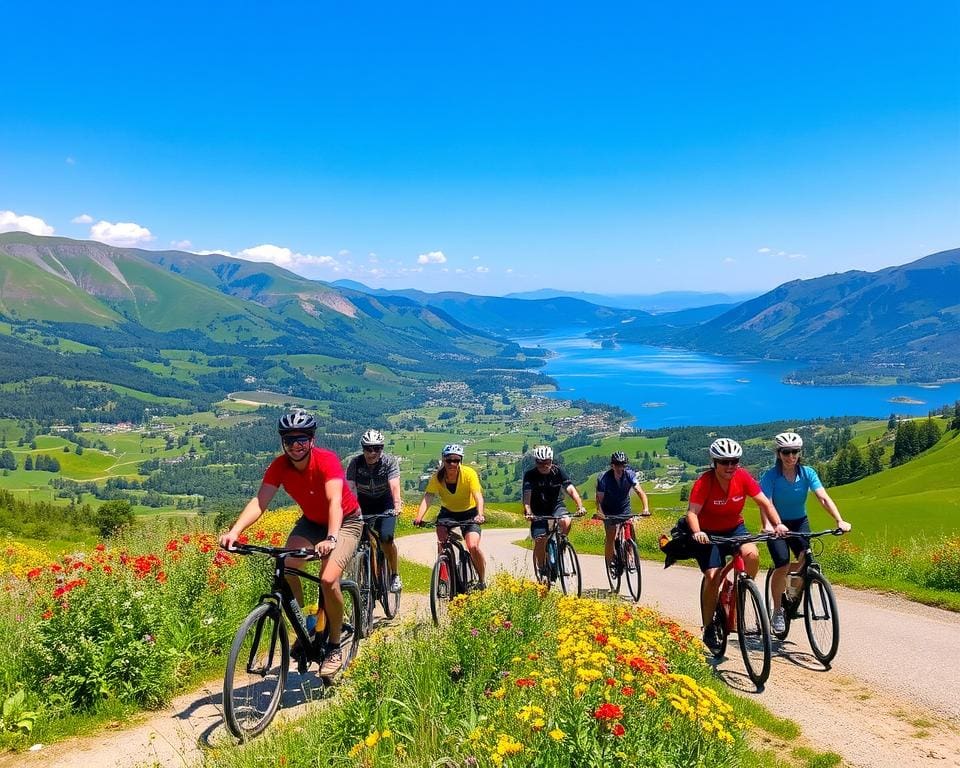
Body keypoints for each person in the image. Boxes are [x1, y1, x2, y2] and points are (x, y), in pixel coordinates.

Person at [219, 410, 363, 677]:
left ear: (312, 439)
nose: (295, 445)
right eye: (289, 440)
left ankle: (333, 646)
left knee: (328, 579)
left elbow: (334, 501)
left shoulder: (326, 460)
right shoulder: (279, 466)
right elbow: (260, 502)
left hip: (345, 522)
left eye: (301, 439)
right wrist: (235, 531)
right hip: (311, 521)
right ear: (282, 441)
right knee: (286, 564)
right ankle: (306, 624)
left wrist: (331, 537)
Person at [686, 437, 787, 652]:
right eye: (725, 462)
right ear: (714, 462)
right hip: (709, 534)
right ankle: (709, 627)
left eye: (734, 461)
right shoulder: (704, 482)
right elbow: (692, 513)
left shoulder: (742, 477)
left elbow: (764, 502)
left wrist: (777, 524)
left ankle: (739, 588)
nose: (730, 466)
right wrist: (698, 532)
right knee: (713, 576)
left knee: (752, 554)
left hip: (734, 528)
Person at [761, 432, 852, 633]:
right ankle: (777, 611)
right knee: (783, 564)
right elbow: (765, 502)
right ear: (779, 453)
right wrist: (769, 525)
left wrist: (839, 520)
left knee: (805, 558)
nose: (791, 456)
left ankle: (792, 592)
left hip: (799, 521)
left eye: (795, 452)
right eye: (786, 452)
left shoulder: (807, 473)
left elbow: (823, 498)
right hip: (776, 524)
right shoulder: (771, 476)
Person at [413, 443, 487, 588]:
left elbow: (478, 496)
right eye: (449, 460)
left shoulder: (469, 473)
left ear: (461, 461)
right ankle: (444, 577)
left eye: (456, 460)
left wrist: (480, 514)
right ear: (443, 460)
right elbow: (428, 497)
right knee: (442, 543)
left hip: (470, 513)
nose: (452, 464)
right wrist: (419, 517)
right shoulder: (437, 477)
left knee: (473, 546)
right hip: (448, 513)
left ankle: (482, 580)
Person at [345, 429, 404, 593]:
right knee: (356, 539)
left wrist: (397, 505)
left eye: (377, 448)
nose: (372, 453)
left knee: (386, 538)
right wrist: (351, 509)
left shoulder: (389, 462)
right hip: (363, 503)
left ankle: (394, 575)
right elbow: (350, 488)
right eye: (368, 449)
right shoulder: (355, 463)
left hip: (385, 504)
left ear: (382, 448)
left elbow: (394, 484)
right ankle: (359, 573)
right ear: (363, 449)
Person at [522, 445, 586, 579]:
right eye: (540, 462)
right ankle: (541, 566)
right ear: (536, 462)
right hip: (538, 510)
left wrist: (580, 506)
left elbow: (571, 490)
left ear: (551, 461)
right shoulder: (530, 475)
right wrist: (528, 511)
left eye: (547, 462)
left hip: (555, 505)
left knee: (566, 521)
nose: (544, 465)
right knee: (540, 539)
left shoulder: (558, 472)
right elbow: (527, 496)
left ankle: (561, 546)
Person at [595, 450, 651, 579]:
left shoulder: (630, 475)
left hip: (624, 508)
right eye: (617, 465)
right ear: (612, 465)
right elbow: (599, 498)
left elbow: (640, 492)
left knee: (629, 527)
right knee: (611, 534)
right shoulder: (604, 478)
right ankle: (610, 564)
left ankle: (630, 556)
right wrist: (600, 512)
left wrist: (645, 508)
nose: (620, 467)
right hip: (609, 509)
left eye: (622, 465)